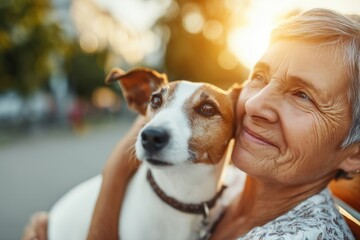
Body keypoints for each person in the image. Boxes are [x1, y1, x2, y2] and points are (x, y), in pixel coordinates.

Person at [23, 8, 360, 240]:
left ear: (355, 155)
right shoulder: (230, 184)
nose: (255, 104)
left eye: (303, 95)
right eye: (260, 76)